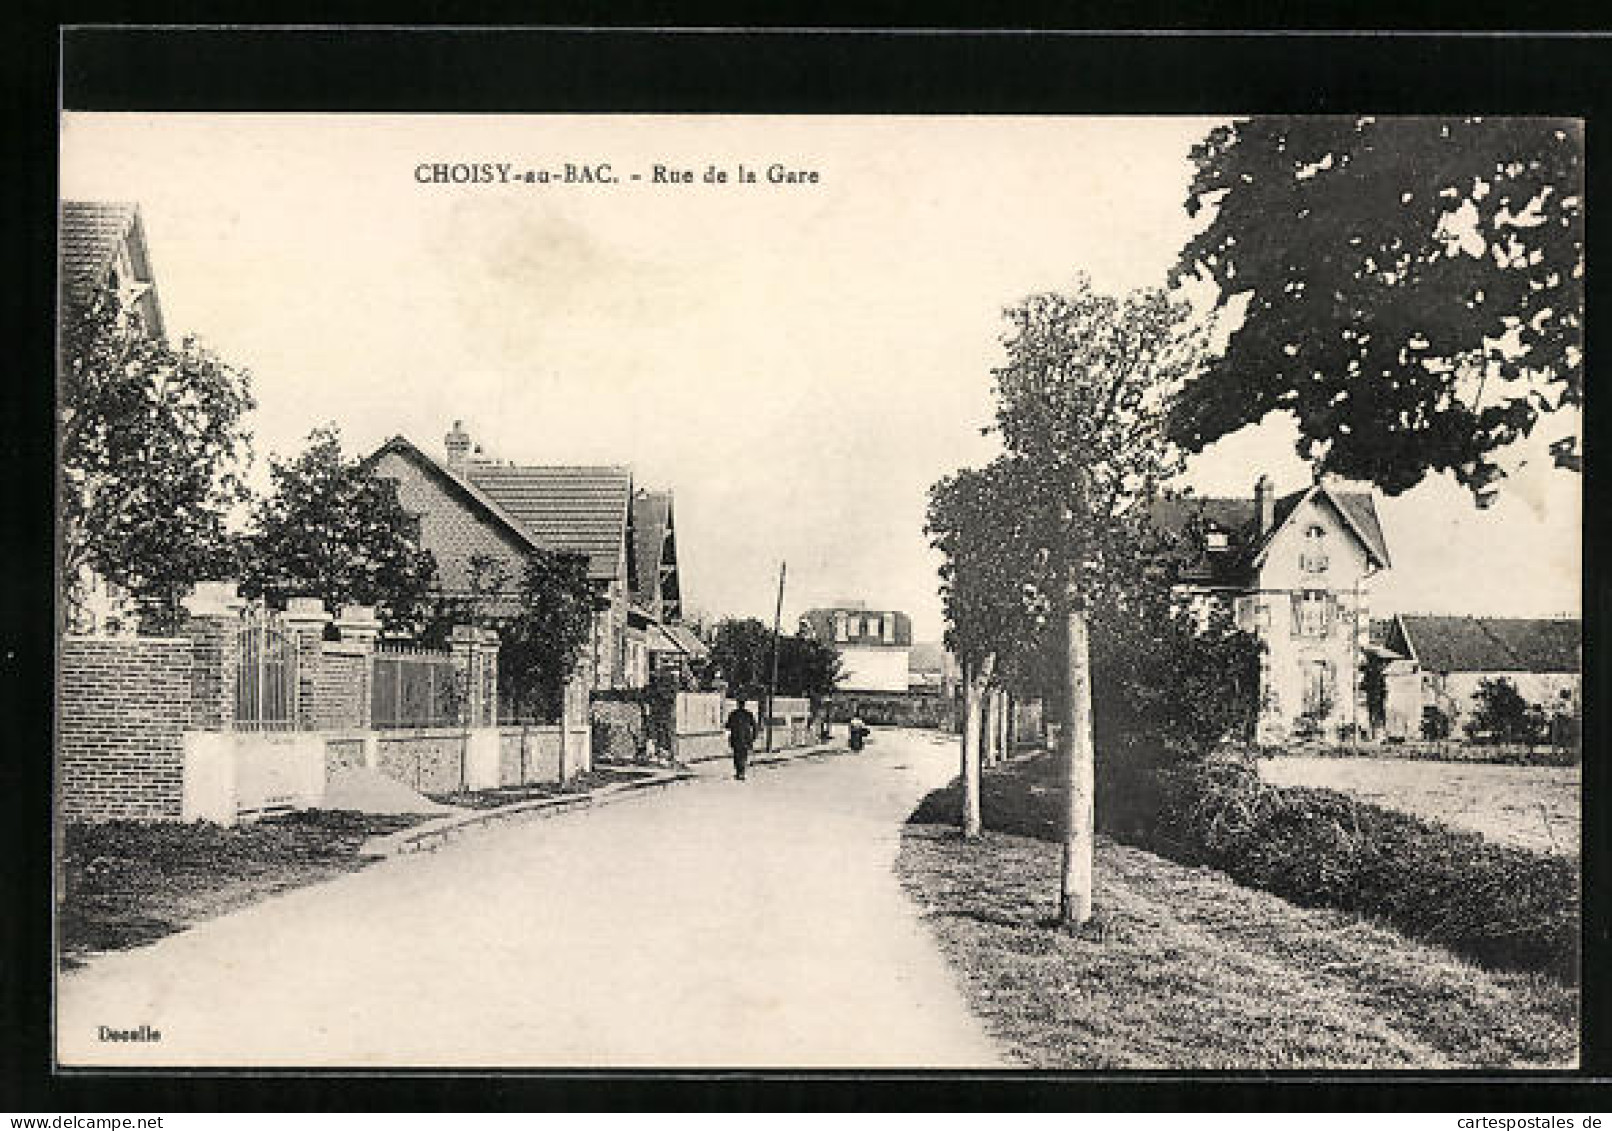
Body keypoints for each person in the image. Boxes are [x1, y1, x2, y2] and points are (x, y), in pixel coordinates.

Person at [725, 697, 758, 781]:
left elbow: (727, 726)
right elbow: (754, 727)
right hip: (745, 739)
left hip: (736, 738)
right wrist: (753, 737)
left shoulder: (733, 714)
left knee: (737, 755)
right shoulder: (748, 714)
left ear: (738, 704)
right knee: (743, 755)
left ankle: (739, 772)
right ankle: (741, 772)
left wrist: (729, 737)